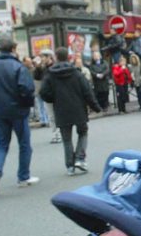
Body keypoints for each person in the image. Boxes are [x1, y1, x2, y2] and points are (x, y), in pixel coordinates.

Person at [0, 33, 39, 193]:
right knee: (24, 144)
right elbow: (26, 89)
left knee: (1, 144)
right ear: (13, 49)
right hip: (18, 111)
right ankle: (23, 176)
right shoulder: (18, 67)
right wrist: (27, 106)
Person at [39, 47, 102, 175]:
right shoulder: (76, 73)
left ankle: (70, 166)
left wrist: (54, 98)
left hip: (61, 110)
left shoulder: (51, 74)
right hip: (78, 108)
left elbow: (43, 92)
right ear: (68, 57)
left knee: (66, 139)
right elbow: (87, 92)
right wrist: (96, 107)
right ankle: (80, 158)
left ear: (56, 57)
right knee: (83, 133)